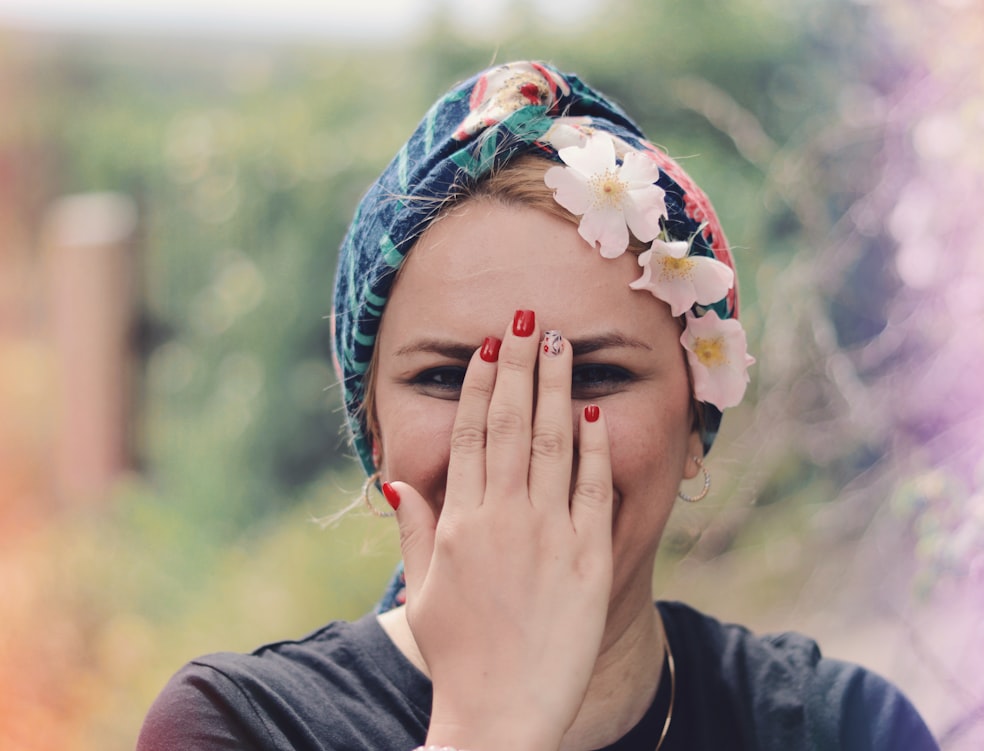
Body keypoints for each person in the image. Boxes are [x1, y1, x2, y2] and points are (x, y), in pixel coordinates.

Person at [138, 61, 938, 751]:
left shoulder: (846, 727)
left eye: (592, 373)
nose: (522, 432)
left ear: (695, 421)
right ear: (371, 426)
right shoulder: (239, 725)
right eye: (449, 377)